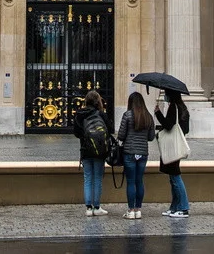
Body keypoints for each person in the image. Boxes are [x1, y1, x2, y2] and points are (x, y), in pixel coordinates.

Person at [72, 90, 113, 217]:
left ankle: (88, 208)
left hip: (85, 150)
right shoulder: (101, 114)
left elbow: (76, 133)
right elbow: (110, 130)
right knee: (97, 179)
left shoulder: (80, 114)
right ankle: (97, 207)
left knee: (88, 178)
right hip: (99, 151)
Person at [117, 91, 155, 220]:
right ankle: (138, 209)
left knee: (131, 182)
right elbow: (151, 137)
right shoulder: (148, 116)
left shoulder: (127, 115)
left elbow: (121, 135)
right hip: (143, 153)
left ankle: (131, 210)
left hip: (129, 153)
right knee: (139, 181)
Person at [155, 89, 191, 217]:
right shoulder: (183, 108)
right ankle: (175, 207)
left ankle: (183, 207)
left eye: (166, 94)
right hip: (177, 145)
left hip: (172, 146)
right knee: (173, 176)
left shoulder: (173, 107)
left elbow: (169, 125)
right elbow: (185, 129)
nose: (165, 96)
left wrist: (158, 114)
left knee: (175, 176)